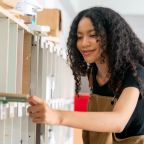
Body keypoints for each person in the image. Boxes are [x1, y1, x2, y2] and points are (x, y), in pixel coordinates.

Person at [27, 7, 144, 144]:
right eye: (79, 37)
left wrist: (58, 116)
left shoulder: (135, 73)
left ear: (111, 36)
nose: (84, 43)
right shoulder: (93, 73)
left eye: (93, 35)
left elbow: (118, 121)